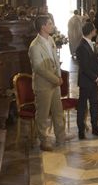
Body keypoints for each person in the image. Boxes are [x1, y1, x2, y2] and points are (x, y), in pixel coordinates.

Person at [28, 15, 68, 151]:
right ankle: (43, 140)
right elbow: (39, 68)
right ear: (43, 27)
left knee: (58, 111)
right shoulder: (34, 46)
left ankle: (61, 136)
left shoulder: (50, 39)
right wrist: (56, 79)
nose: (52, 26)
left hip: (55, 83)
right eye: (50, 24)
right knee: (43, 114)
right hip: (43, 85)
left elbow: (55, 59)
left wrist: (59, 74)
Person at [75, 22, 98, 139]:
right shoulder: (81, 46)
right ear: (91, 31)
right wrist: (95, 77)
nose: (96, 30)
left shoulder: (92, 43)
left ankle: (95, 127)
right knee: (82, 106)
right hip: (86, 81)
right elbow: (84, 67)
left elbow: (95, 62)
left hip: (94, 81)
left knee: (94, 104)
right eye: (94, 29)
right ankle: (81, 130)